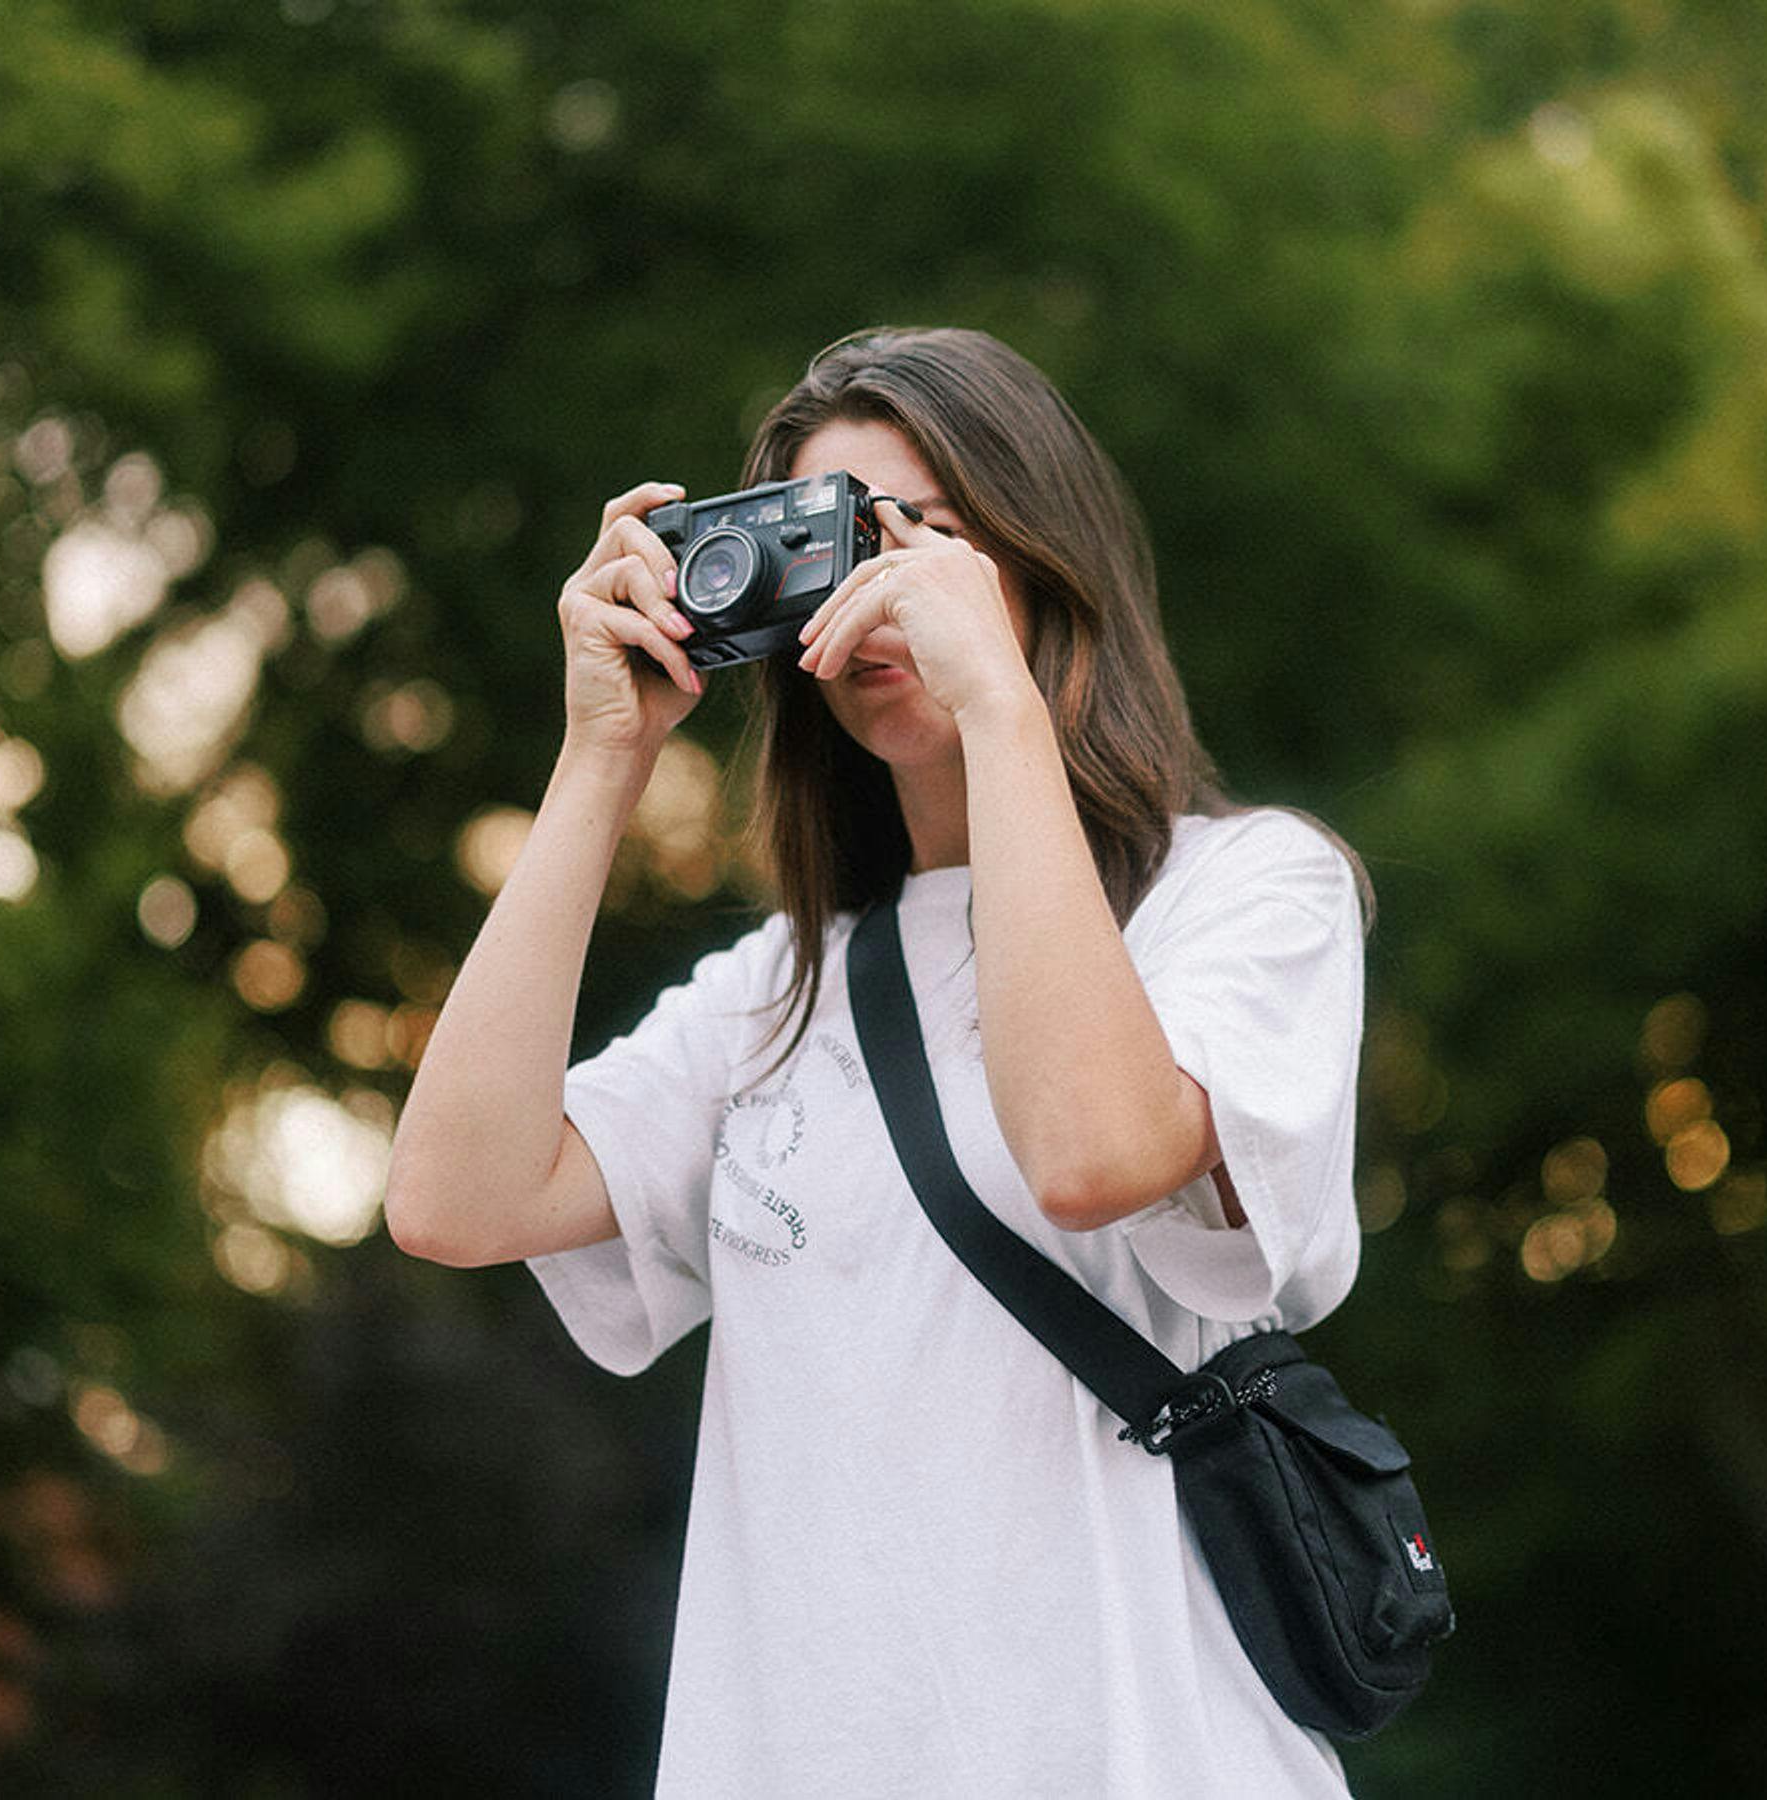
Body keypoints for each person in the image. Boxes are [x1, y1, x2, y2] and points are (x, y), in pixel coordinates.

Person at [384, 326, 1370, 1796]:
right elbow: (453, 1200)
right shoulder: (775, 992)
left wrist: (1002, 710)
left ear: (1047, 563)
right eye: (837, 543)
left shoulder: (1241, 895)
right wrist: (603, 754)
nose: (885, 583)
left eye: (938, 536)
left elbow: (1095, 1154)